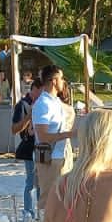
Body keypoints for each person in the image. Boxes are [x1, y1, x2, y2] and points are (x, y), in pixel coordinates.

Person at [33, 65, 76, 205]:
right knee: (49, 200)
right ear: (54, 81)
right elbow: (43, 136)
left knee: (63, 199)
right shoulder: (43, 104)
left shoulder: (56, 101)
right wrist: (69, 134)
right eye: (61, 78)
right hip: (49, 158)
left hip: (62, 155)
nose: (63, 81)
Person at [12, 78, 41, 216]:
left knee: (42, 182)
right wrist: (29, 116)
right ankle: (28, 212)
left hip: (43, 148)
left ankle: (41, 212)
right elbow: (14, 129)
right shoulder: (23, 104)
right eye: (41, 92)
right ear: (34, 89)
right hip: (29, 147)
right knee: (30, 182)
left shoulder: (44, 103)